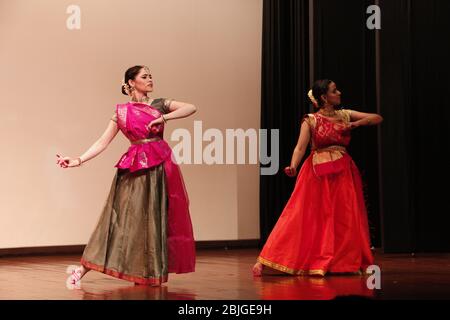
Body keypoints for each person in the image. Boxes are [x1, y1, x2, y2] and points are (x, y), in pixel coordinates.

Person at [57, 65, 197, 286]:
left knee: (154, 220)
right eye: (144, 76)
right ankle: (82, 269)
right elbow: (102, 142)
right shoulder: (121, 112)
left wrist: (165, 119)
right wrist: (78, 160)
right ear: (131, 82)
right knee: (121, 219)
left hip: (160, 165)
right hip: (134, 168)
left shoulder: (160, 104)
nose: (150, 79)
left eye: (151, 75)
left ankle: (147, 272)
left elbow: (191, 107)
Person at [253, 79, 383, 277]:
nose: (339, 92)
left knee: (343, 216)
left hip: (342, 170)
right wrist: (293, 165)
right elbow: (300, 147)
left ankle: (342, 262)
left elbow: (377, 118)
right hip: (317, 172)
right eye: (334, 90)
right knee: (304, 214)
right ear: (324, 97)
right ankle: (271, 258)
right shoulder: (311, 120)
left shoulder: (344, 114)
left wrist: (356, 123)